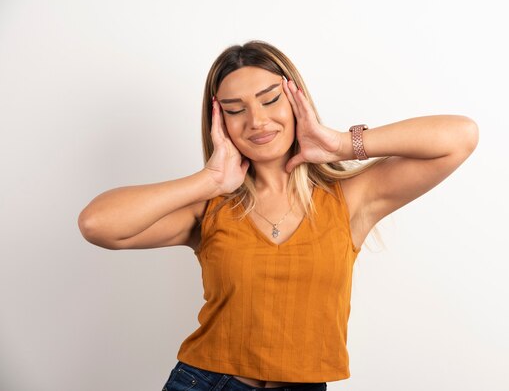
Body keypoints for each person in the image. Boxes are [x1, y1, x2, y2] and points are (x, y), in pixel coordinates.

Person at [78, 40, 479, 390]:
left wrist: (340, 143)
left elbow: (460, 136)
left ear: (296, 100)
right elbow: (97, 224)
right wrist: (209, 180)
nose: (257, 121)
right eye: (235, 110)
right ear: (221, 124)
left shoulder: (349, 200)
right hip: (206, 383)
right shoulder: (211, 208)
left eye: (270, 100)